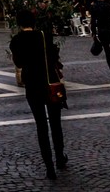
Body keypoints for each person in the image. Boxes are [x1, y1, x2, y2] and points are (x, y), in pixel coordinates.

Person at [9, 10, 67, 179]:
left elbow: (18, 63)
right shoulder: (44, 36)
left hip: (32, 86)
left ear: (19, 23)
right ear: (34, 22)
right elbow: (54, 56)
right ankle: (60, 158)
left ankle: (49, 166)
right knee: (56, 123)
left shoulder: (16, 41)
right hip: (50, 83)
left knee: (41, 125)